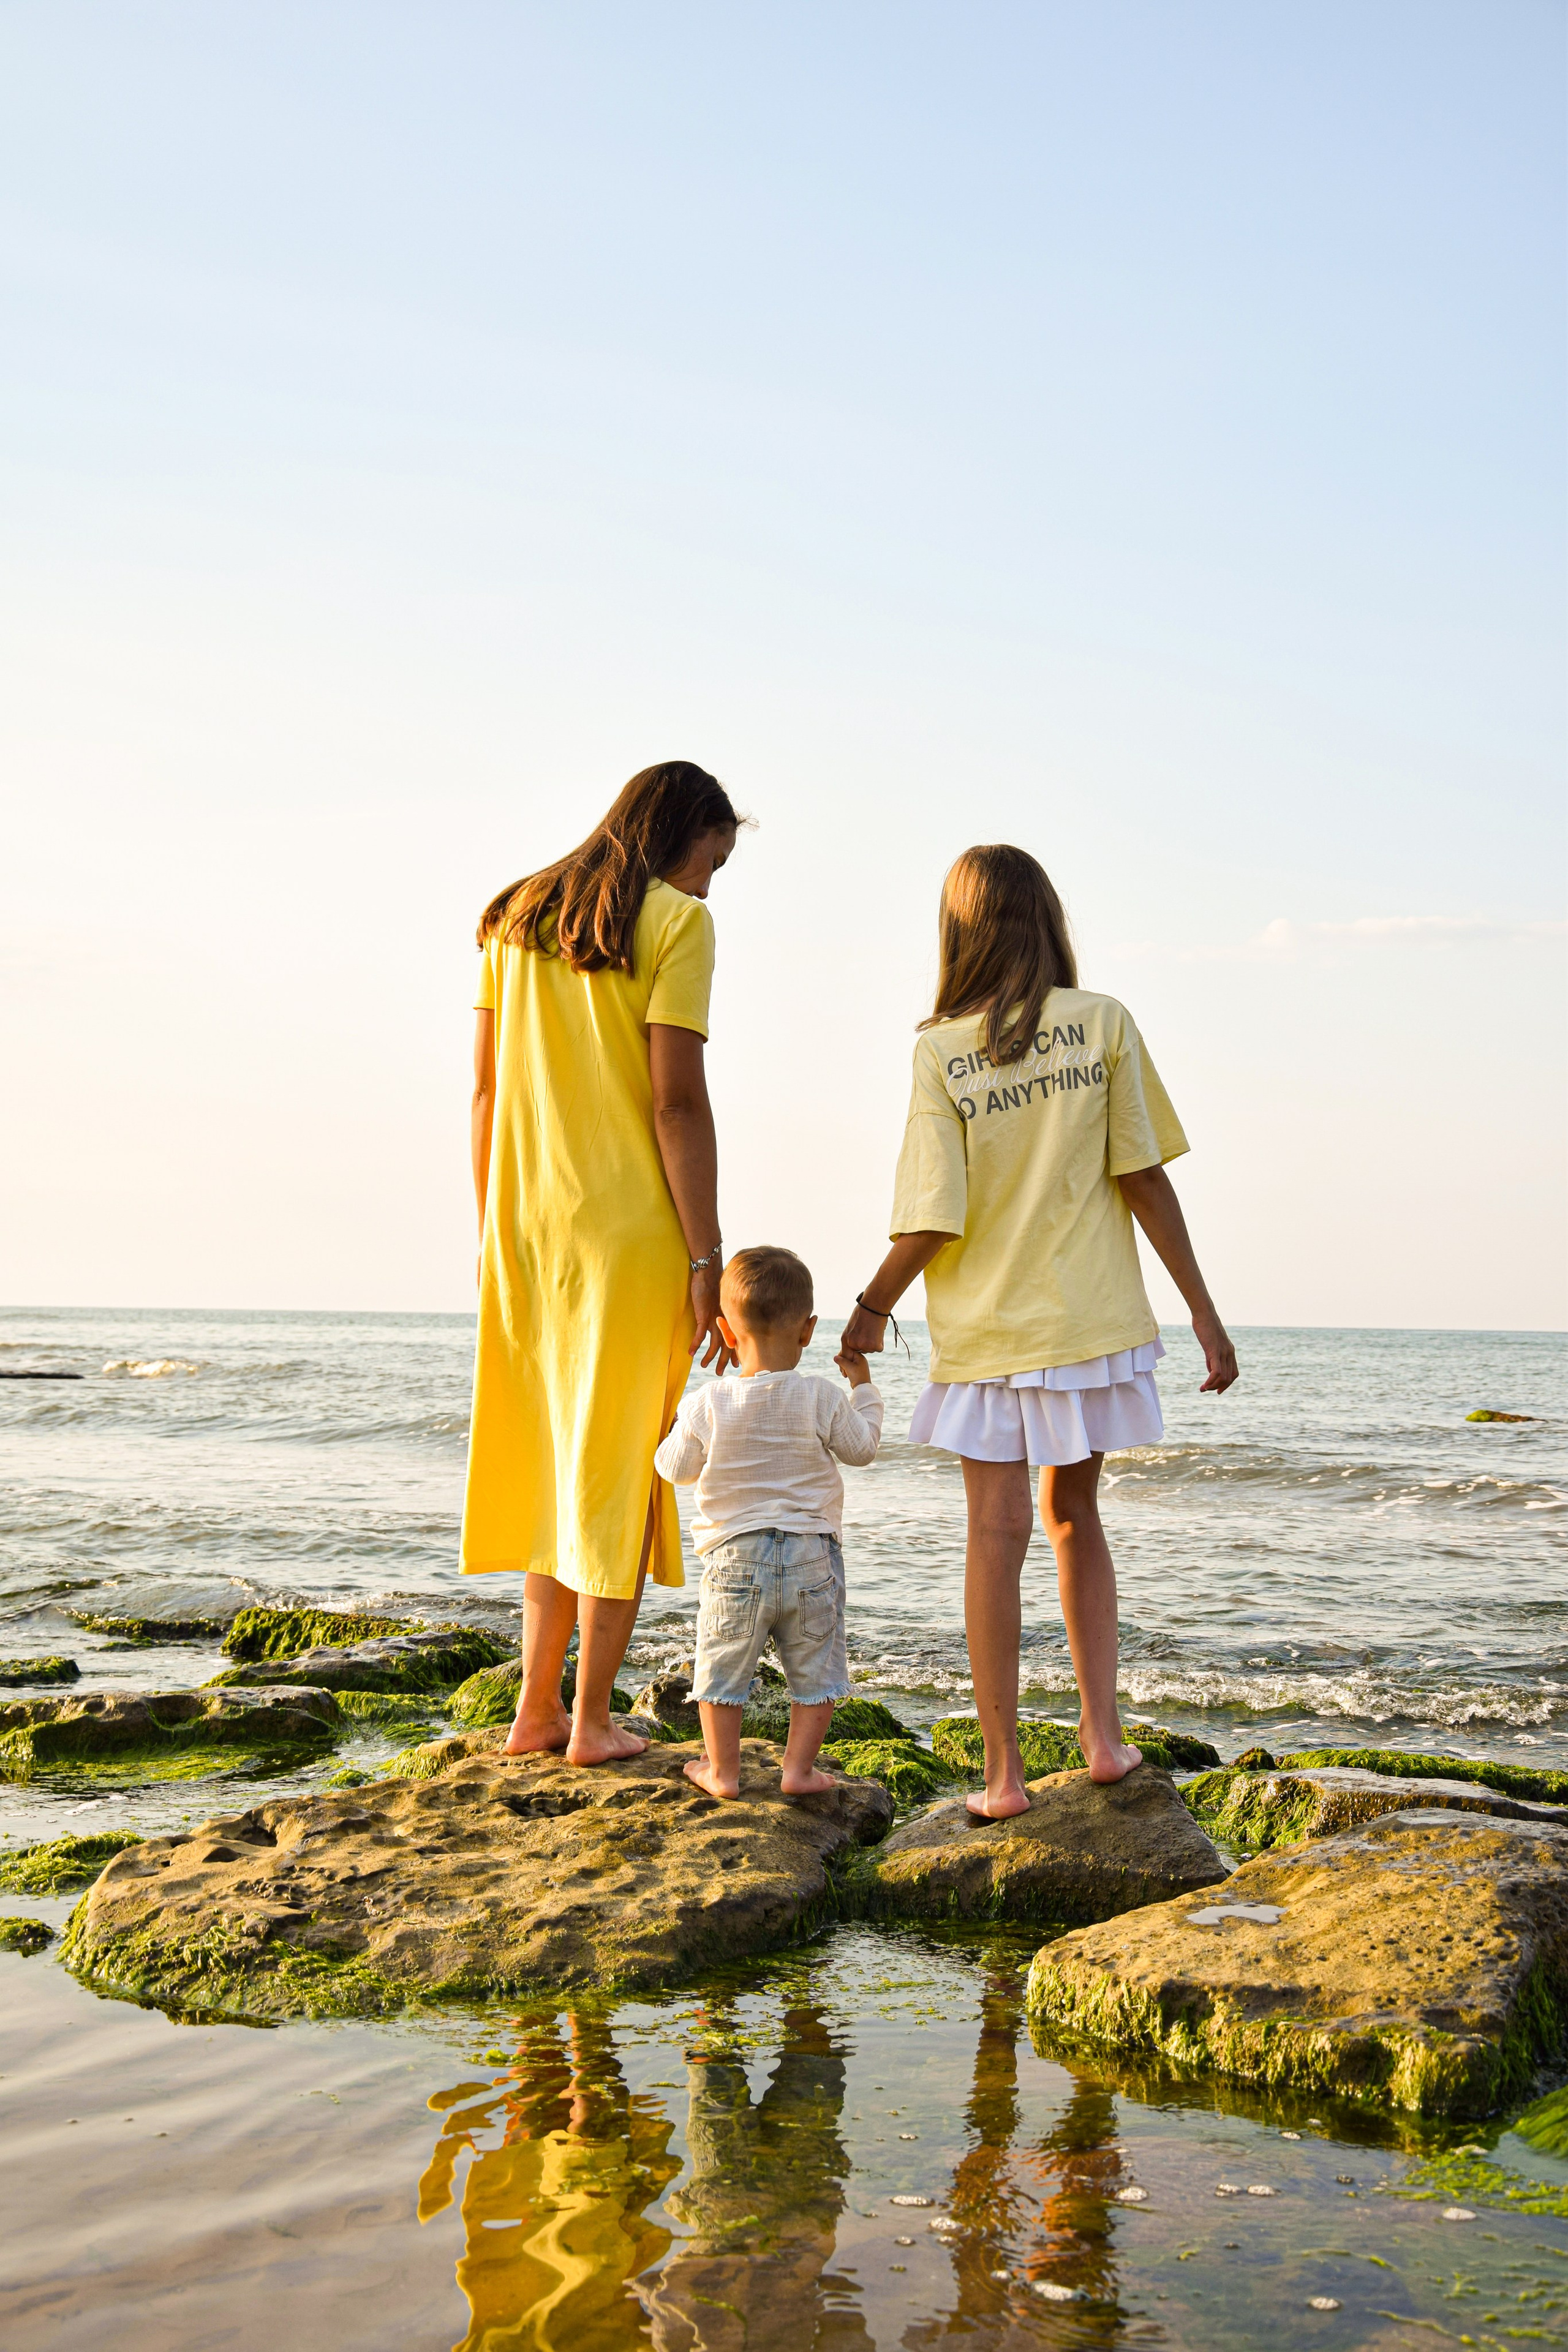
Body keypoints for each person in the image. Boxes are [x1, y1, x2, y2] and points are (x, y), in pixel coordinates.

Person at [839, 844, 1237, 1820]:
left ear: (959, 932)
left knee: (994, 1534)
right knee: (1075, 1523)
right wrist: (1201, 1306)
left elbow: (933, 1215)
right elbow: (1144, 1176)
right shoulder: (1102, 1023)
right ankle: (1103, 1742)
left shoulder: (941, 1051)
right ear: (1048, 918)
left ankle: (1004, 1778)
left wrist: (870, 1307)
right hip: (1091, 1322)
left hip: (988, 1333)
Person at [463, 760, 742, 1767]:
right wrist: (707, 1253)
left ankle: (535, 1710)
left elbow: (488, 1096)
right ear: (683, 837)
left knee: (557, 1470)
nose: (712, 884)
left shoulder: (512, 916)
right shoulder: (677, 923)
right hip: (629, 1234)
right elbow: (677, 1102)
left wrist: (496, 1225)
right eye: (715, 860)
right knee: (619, 1472)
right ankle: (588, 1725)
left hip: (526, 1233)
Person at [654, 1245, 883, 1800]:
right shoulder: (822, 1396)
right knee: (817, 1675)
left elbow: (676, 1469)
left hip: (734, 1559)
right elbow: (863, 1448)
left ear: (727, 1335)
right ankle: (799, 1771)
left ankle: (722, 1773)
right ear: (807, 1330)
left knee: (722, 1671)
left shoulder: (710, 1400)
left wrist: (668, 1424)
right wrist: (864, 1389)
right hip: (812, 1559)